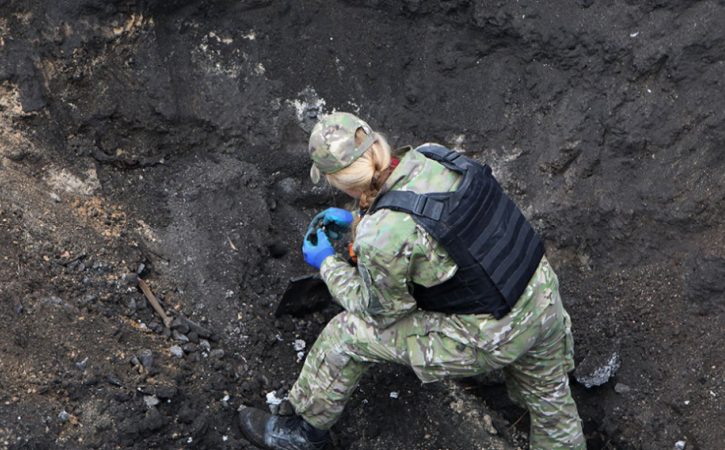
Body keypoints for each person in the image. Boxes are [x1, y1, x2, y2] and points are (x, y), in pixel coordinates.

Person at [240, 112, 585, 450]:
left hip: (493, 333)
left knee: (344, 335)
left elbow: (382, 313)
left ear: (339, 181)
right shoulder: (432, 155)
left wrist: (327, 263)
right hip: (537, 294)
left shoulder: (382, 236)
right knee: (552, 405)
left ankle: (303, 434)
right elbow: (434, 225)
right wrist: (359, 220)